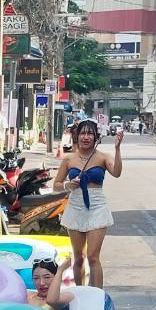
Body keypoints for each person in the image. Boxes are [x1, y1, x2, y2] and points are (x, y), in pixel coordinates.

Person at [52, 118, 123, 289]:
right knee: (78, 258)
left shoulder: (103, 157)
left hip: (97, 207)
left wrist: (117, 149)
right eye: (83, 133)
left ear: (96, 137)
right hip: (75, 206)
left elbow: (117, 172)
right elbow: (56, 185)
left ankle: (97, 295)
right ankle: (79, 292)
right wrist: (68, 185)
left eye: (90, 133)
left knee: (93, 257)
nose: (86, 137)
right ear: (77, 136)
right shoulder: (69, 159)